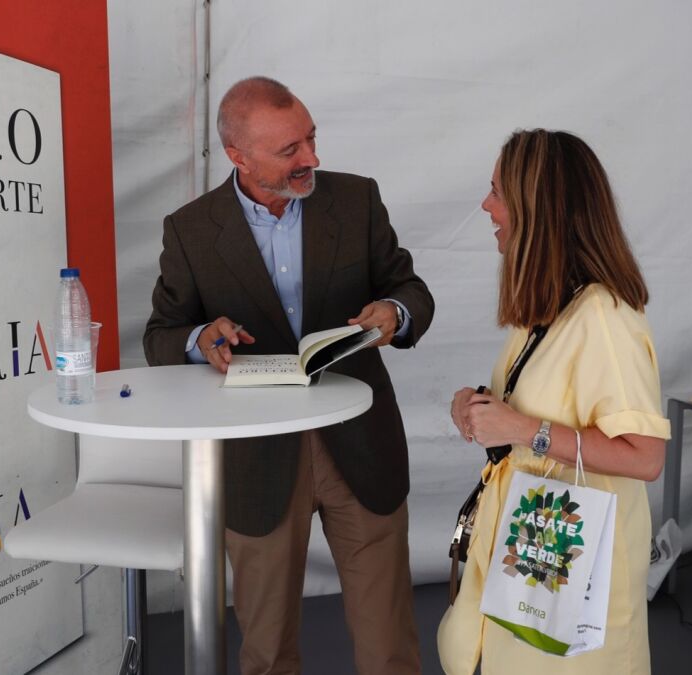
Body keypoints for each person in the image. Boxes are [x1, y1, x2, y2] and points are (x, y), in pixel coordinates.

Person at [144, 76, 434, 675]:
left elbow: (409, 288)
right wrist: (201, 339)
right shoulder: (190, 230)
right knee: (267, 651)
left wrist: (395, 312)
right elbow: (161, 335)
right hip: (257, 459)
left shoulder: (356, 199)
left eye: (311, 139)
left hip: (362, 443)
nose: (312, 159)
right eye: (290, 150)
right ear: (238, 156)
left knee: (389, 647)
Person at [437, 129, 671, 675]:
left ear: (536, 208)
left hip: (579, 563)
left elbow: (645, 457)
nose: (486, 205)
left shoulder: (605, 317)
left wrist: (521, 430)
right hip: (536, 545)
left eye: (497, 192)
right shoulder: (553, 305)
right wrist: (481, 406)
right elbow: (542, 406)